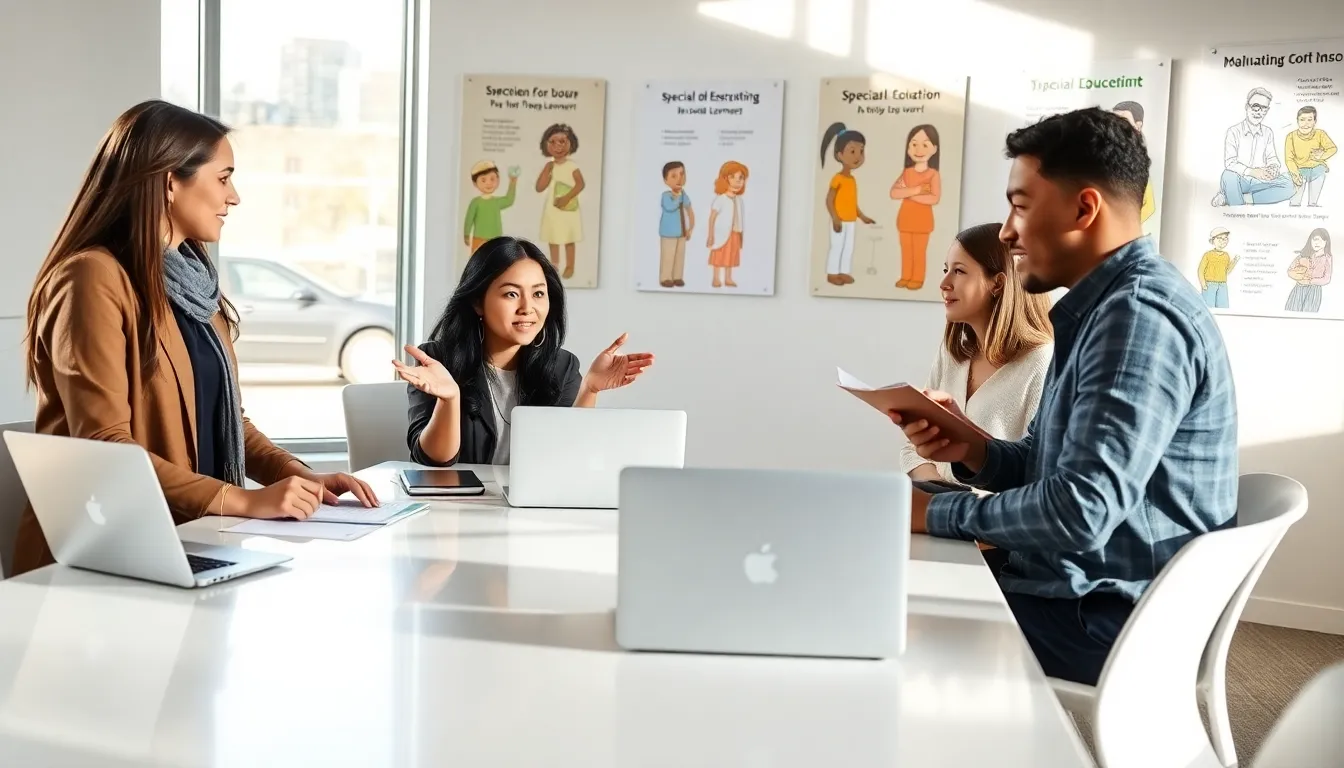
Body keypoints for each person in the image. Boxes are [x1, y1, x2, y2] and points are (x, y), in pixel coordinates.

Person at [892, 107, 1238, 686]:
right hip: (1079, 594)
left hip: (1108, 619)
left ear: (1084, 209)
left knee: (881, 615)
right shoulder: (1102, 310)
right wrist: (974, 449)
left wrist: (934, 512)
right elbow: (1050, 465)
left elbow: (1080, 510)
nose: (1007, 232)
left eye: (1020, 206)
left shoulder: (1136, 319)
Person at [14, 100, 377, 576]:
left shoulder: (195, 286)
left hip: (192, 538)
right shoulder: (92, 277)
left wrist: (299, 476)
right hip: (105, 553)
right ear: (170, 182)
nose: (235, 197)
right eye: (224, 178)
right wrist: (243, 500)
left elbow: (228, 421)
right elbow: (105, 446)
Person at [398, 236, 654, 466]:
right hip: (455, 501)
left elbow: (567, 457)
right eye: (511, 294)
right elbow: (433, 460)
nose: (527, 308)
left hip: (531, 503)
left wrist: (590, 389)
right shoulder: (437, 361)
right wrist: (450, 399)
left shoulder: (561, 366)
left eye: (538, 294)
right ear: (478, 302)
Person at [899, 222, 1054, 485]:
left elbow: (1037, 469)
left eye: (959, 271)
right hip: (938, 506)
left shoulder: (1043, 362)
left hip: (995, 511)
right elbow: (913, 449)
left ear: (998, 284)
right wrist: (939, 492)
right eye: (946, 270)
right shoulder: (952, 354)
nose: (944, 283)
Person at [1212, 87, 1295, 207]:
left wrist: (1273, 167)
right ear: (1247, 107)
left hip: (1261, 180)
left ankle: (1238, 197)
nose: (1259, 112)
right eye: (1255, 106)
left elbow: (1272, 157)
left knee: (1290, 183)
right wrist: (1252, 172)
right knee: (1228, 175)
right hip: (1240, 179)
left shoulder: (1268, 132)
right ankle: (1237, 203)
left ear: (1267, 110)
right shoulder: (1233, 131)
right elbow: (1230, 163)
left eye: (1264, 108)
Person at [819, 122, 876, 285]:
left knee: (848, 247)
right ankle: (832, 273)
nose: (857, 156)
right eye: (852, 151)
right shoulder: (838, 178)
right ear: (839, 155)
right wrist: (835, 218)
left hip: (850, 220)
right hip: (840, 220)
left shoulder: (852, 179)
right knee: (837, 246)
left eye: (861, 151)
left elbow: (852, 203)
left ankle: (843, 272)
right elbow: (829, 200)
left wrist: (862, 217)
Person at [889, 124, 942, 290]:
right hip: (904, 220)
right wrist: (917, 190)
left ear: (934, 149)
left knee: (919, 252)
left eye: (925, 145)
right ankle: (906, 276)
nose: (918, 149)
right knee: (906, 250)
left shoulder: (933, 174)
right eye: (914, 144)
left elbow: (934, 198)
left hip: (922, 222)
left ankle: (917, 278)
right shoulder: (907, 172)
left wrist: (908, 194)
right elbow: (894, 193)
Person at [535, 124, 585, 279]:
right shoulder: (550, 165)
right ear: (546, 144)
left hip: (568, 207)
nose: (558, 146)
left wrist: (566, 197)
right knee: (553, 236)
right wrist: (547, 170)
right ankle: (554, 264)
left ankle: (570, 265)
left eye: (562, 141)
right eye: (553, 142)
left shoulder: (572, 166)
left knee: (569, 237)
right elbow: (539, 187)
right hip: (553, 208)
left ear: (571, 143)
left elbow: (580, 184)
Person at [706, 161, 748, 288]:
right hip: (721, 233)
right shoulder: (721, 199)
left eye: (741, 178)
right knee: (719, 255)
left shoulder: (739, 200)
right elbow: (712, 218)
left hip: (734, 233)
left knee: (731, 256)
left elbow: (740, 218)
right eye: (733, 177)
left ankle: (728, 278)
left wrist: (741, 235)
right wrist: (711, 235)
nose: (737, 181)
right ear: (724, 179)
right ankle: (716, 278)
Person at [1284, 106, 1336, 208]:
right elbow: (1289, 159)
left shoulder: (1320, 134)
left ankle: (1313, 205)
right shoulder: (1291, 136)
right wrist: (1295, 174)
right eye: (1302, 120)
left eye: (1309, 120)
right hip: (1299, 170)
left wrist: (1322, 155)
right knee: (1295, 202)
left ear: (1314, 122)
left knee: (1313, 203)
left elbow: (1333, 148)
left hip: (1316, 169)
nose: (1306, 123)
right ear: (1297, 121)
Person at [463, 160, 519, 254]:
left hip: (496, 239)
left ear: (498, 179)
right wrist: (466, 234)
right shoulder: (475, 202)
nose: (488, 183)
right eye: (483, 180)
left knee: (495, 260)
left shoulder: (496, 202)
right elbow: (469, 219)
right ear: (475, 183)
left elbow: (509, 200)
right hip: (479, 239)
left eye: (492, 179)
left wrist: (512, 183)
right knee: (479, 260)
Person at [658, 161, 694, 288]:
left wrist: (690, 228)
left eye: (682, 174)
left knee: (680, 255)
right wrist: (679, 197)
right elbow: (670, 207)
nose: (679, 178)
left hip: (682, 231)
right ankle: (666, 277)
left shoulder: (684, 195)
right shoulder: (666, 196)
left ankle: (677, 276)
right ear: (666, 180)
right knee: (668, 255)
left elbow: (689, 210)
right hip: (668, 232)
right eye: (674, 176)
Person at [1197, 227, 1238, 309]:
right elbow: (1200, 270)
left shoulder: (1226, 256)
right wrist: (1203, 283)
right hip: (1209, 284)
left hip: (1222, 285)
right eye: (1220, 238)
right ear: (1213, 241)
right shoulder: (1208, 255)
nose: (1223, 241)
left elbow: (1226, 272)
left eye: (1225, 238)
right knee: (1208, 307)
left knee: (1223, 308)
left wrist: (1234, 262)